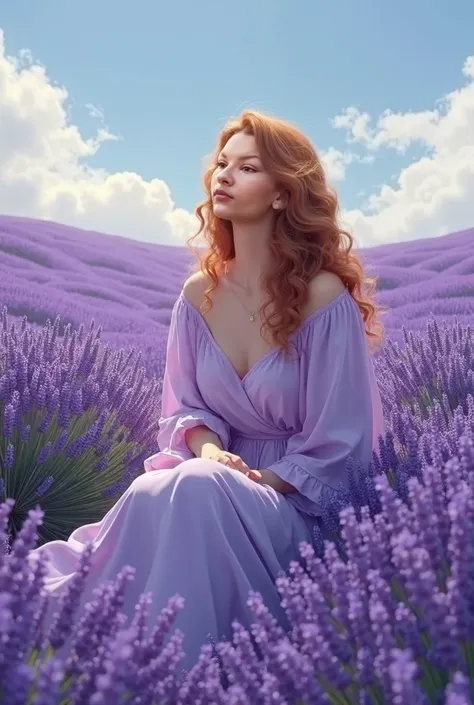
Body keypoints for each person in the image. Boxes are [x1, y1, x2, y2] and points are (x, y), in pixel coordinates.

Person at [32, 110, 385, 672]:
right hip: (208, 472)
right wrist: (212, 452)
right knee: (153, 493)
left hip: (294, 506)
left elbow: (342, 443)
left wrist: (257, 476)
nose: (224, 175)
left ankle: (172, 672)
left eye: (247, 167)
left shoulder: (323, 299)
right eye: (222, 163)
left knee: (194, 491)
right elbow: (185, 408)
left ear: (280, 194)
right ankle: (111, 663)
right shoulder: (198, 296)